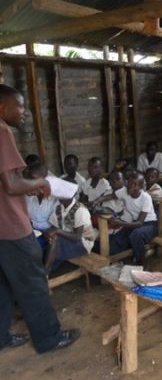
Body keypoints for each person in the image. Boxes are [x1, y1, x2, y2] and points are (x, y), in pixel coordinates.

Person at [0, 84, 79, 353]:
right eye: (19, 105)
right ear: (2, 107)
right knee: (33, 282)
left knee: (3, 284)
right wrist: (43, 182)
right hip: (10, 226)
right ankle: (49, 338)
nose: (24, 111)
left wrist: (32, 185)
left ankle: (1, 336)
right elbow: (10, 184)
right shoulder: (1, 131)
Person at [102, 173, 158, 265]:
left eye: (134, 184)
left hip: (150, 224)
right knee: (118, 237)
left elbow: (140, 223)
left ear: (139, 187)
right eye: (129, 183)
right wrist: (97, 201)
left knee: (136, 234)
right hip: (135, 223)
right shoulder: (125, 191)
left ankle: (141, 262)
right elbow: (110, 196)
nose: (129, 186)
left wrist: (120, 223)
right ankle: (114, 256)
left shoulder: (145, 198)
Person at [44, 182, 95, 272]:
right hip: (65, 240)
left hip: (83, 243)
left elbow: (77, 237)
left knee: (55, 240)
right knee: (50, 240)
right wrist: (48, 233)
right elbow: (53, 226)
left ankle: (46, 271)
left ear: (73, 193)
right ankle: (47, 269)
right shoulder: (59, 208)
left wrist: (57, 231)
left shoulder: (80, 210)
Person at [25, 162, 59, 248]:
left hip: (47, 234)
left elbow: (57, 226)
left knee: (30, 248)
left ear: (44, 177)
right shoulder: (29, 196)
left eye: (33, 178)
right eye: (29, 179)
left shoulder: (54, 197)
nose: (31, 182)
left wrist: (45, 233)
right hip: (31, 232)